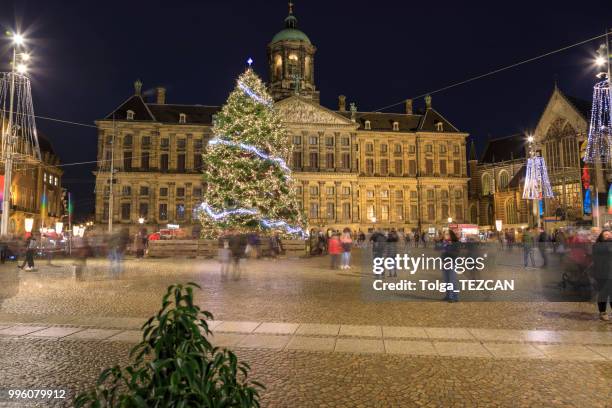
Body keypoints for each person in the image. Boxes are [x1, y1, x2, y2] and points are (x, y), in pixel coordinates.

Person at [592, 230, 612, 321]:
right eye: (606, 235)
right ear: (601, 237)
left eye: (609, 234)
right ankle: (602, 312)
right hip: (602, 274)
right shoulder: (597, 246)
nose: (608, 236)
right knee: (603, 293)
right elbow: (607, 249)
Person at [440, 229, 460, 302]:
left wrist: (447, 251)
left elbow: (456, 254)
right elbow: (441, 252)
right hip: (444, 263)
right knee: (446, 281)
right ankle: (448, 295)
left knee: (452, 280)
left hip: (452, 263)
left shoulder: (455, 243)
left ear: (451, 235)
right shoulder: (444, 243)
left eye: (447, 234)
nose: (445, 235)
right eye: (445, 234)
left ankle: (454, 297)